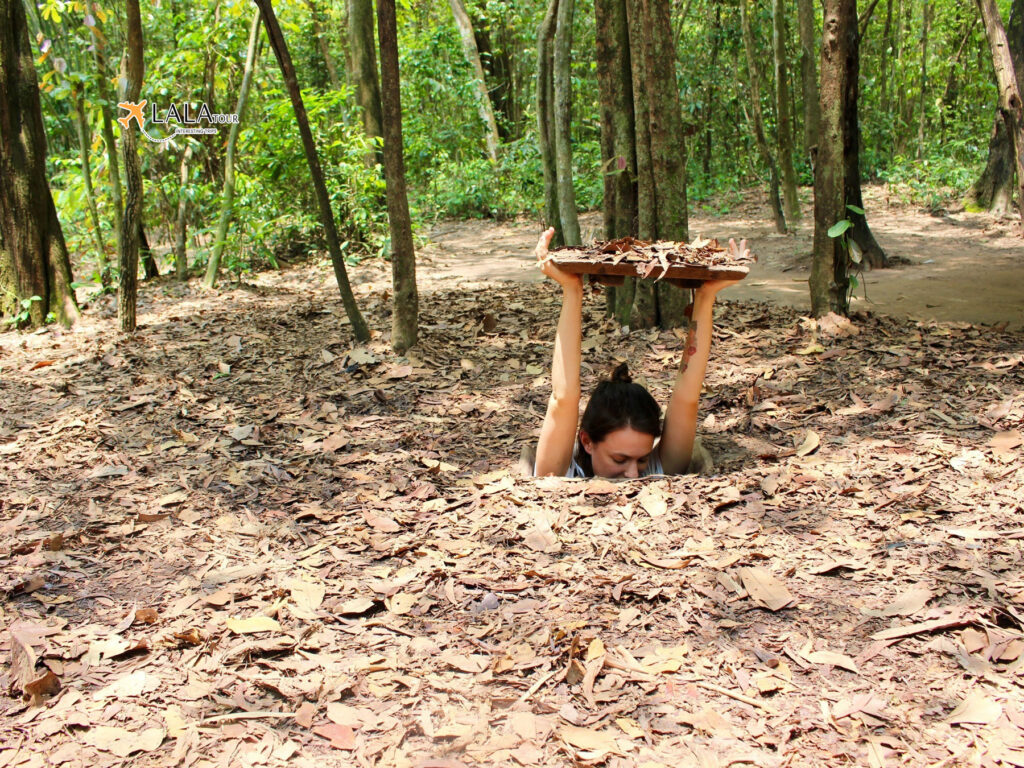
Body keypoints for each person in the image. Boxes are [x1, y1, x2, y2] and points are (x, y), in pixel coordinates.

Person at [532, 227, 746, 479]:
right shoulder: (557, 472)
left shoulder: (658, 469)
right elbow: (564, 397)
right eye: (619, 459)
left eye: (642, 459)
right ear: (587, 442)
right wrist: (572, 290)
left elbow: (687, 398)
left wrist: (707, 296)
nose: (633, 475)